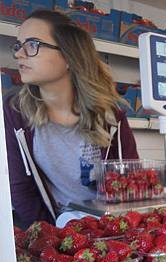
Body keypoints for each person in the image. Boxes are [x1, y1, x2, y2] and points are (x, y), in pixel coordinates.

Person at [4, 9, 138, 228]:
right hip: (52, 232)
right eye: (19, 46)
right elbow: (21, 189)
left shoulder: (112, 116)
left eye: (32, 44)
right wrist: (51, 239)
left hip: (108, 231)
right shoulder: (14, 113)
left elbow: (130, 185)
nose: (19, 54)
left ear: (68, 56)